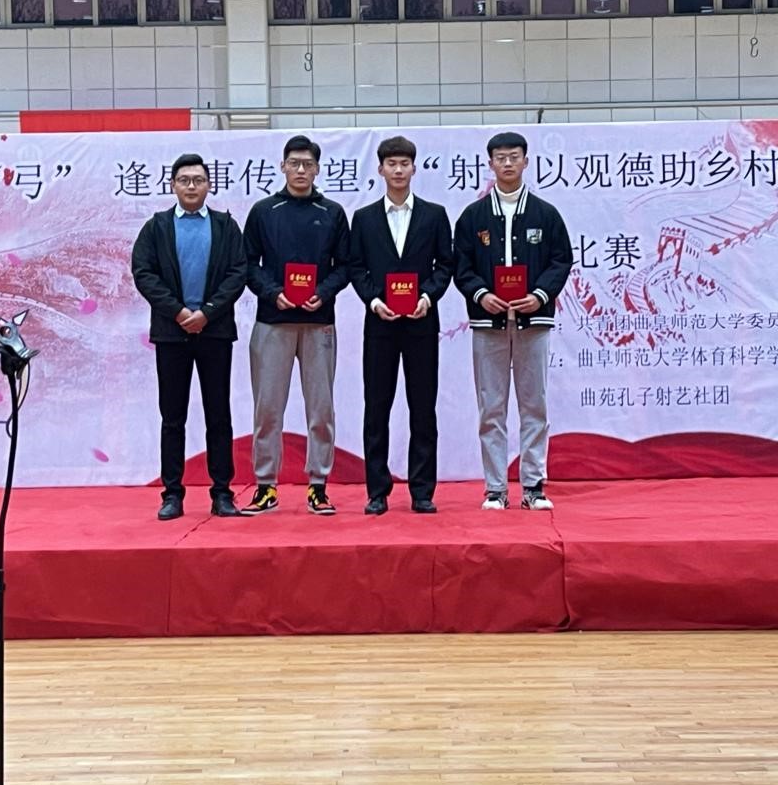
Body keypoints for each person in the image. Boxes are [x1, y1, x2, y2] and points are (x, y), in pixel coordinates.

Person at [453, 131, 573, 510]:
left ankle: (533, 486)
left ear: (525, 161)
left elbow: (561, 261)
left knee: (533, 405)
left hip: (532, 323)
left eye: (514, 156)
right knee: (491, 407)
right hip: (487, 324)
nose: (507, 163)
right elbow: (461, 265)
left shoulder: (545, 214)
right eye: (500, 158)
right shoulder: (473, 216)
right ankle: (495, 489)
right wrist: (480, 295)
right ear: (490, 163)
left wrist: (539, 296)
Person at [131, 152, 248, 521]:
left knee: (219, 414)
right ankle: (172, 494)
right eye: (184, 180)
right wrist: (179, 312)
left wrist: (207, 312)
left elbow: (238, 272)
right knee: (172, 417)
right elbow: (143, 273)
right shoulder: (157, 227)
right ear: (173, 185)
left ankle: (222, 493)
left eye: (198, 180)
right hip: (172, 333)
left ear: (209, 185)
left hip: (215, 332)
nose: (192, 186)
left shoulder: (225, 226)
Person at [241, 135, 351, 515]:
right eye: (294, 163)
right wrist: (273, 293)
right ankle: (265, 486)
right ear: (283, 167)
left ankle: (318, 485)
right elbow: (247, 264)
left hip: (318, 323)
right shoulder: (264, 211)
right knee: (268, 408)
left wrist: (323, 292)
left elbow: (346, 266)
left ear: (317, 169)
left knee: (321, 408)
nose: (301, 170)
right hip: (273, 321)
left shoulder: (332, 212)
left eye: (307, 164)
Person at [348, 136, 454, 515]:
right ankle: (377, 491)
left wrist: (427, 297)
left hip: (421, 324)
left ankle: (422, 490)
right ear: (380, 169)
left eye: (404, 164)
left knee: (422, 407)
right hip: (380, 325)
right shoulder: (364, 219)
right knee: (377, 407)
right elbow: (355, 266)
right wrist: (374, 300)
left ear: (414, 168)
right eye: (391, 164)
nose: (397, 170)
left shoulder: (434, 215)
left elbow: (446, 265)